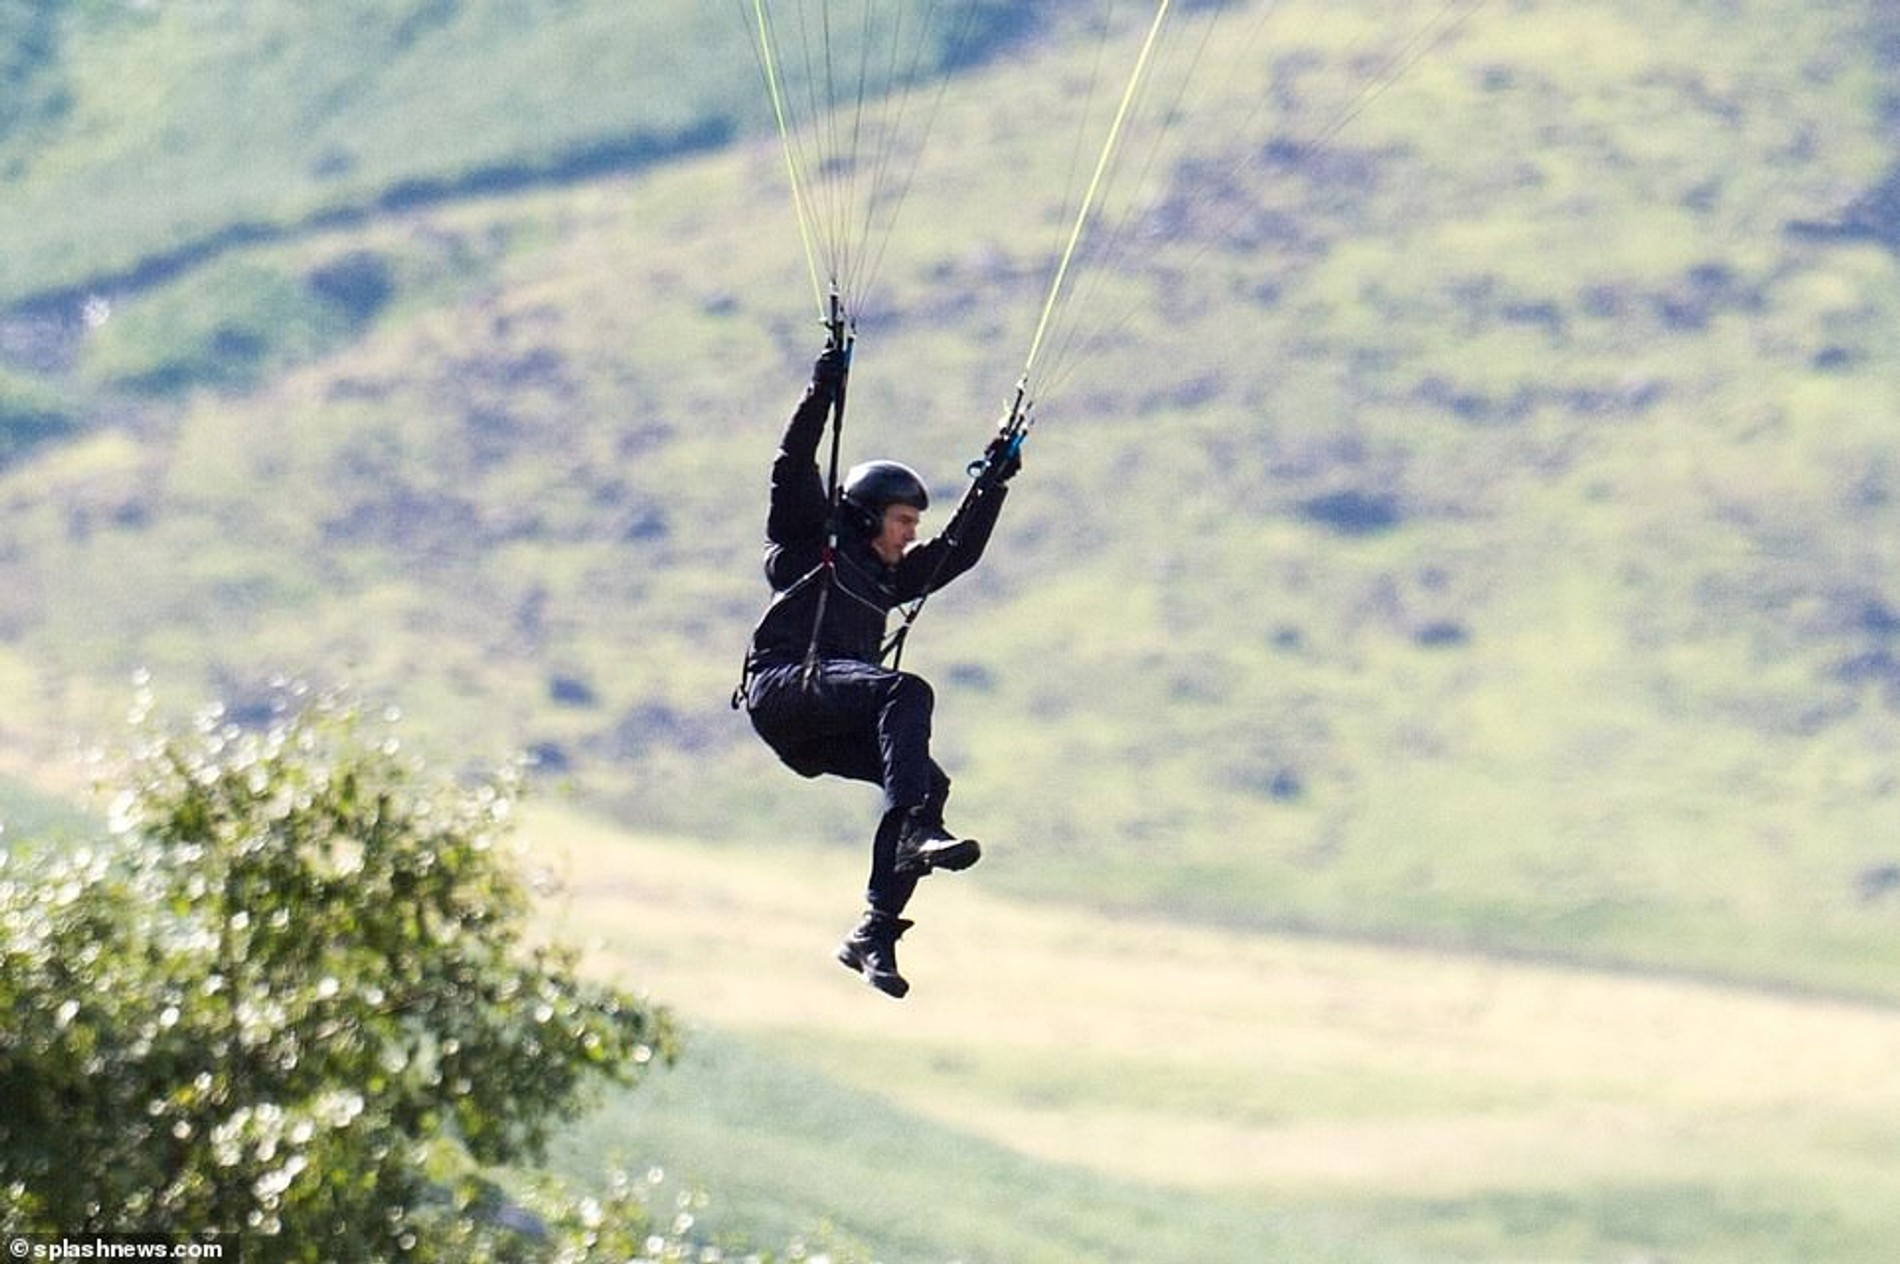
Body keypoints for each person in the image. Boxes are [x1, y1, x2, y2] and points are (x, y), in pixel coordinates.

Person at [737, 344, 1018, 998]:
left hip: (820, 726)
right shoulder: (807, 542)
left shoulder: (888, 579)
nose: (910, 536)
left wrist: (993, 482)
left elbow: (956, 554)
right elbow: (792, 464)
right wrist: (821, 392)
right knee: (906, 692)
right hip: (785, 687)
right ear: (867, 516)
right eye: (902, 522)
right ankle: (914, 833)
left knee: (929, 782)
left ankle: (874, 929)